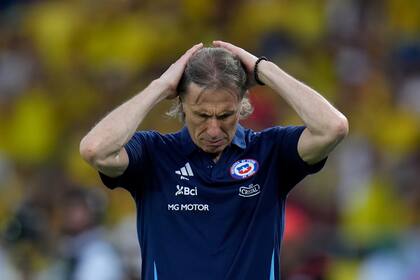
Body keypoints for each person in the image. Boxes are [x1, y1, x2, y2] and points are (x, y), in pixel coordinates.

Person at [80, 41, 348, 280]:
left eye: (225, 116)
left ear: (242, 102)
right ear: (181, 103)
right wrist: (160, 86)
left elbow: (333, 127)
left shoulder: (269, 152)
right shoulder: (153, 154)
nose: (213, 130)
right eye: (202, 115)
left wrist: (262, 69)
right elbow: (95, 149)